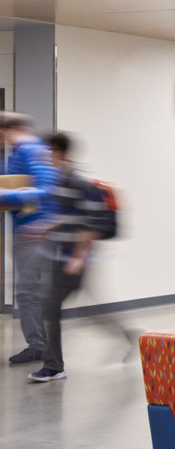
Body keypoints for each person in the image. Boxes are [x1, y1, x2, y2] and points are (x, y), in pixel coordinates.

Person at [27, 133, 96, 383]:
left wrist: (79, 256)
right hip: (59, 258)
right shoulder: (60, 180)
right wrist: (46, 226)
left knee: (49, 308)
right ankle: (54, 365)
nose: (43, 155)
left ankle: (54, 366)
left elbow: (88, 224)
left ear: (58, 152)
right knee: (51, 308)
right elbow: (68, 217)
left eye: (47, 150)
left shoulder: (78, 182)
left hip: (73, 259)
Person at [0, 111, 55, 366]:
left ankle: (38, 346)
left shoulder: (29, 151)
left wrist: (5, 197)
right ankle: (40, 344)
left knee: (27, 292)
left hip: (34, 233)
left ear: (9, 130)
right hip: (26, 232)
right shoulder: (18, 152)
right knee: (30, 292)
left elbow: (44, 191)